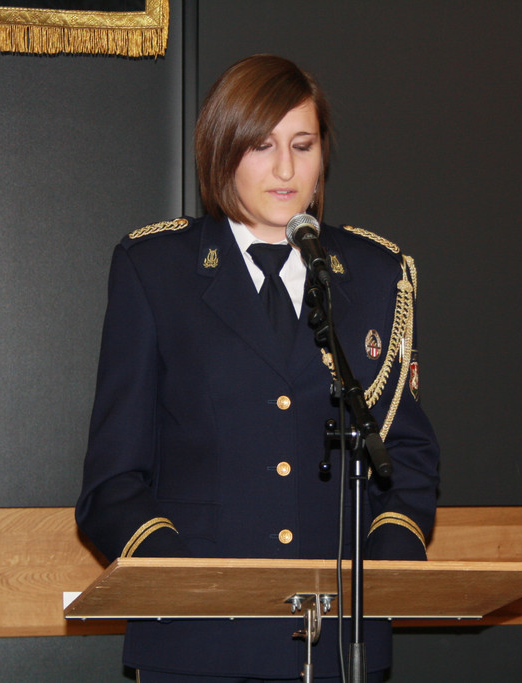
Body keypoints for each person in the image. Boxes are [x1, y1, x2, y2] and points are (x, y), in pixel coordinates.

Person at [75, 54, 440, 683]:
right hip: (198, 644)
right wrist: (188, 586)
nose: (286, 169)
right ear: (222, 153)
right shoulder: (155, 270)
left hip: (341, 641)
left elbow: (404, 456)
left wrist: (383, 574)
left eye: (303, 145)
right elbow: (112, 482)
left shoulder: (375, 273)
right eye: (262, 146)